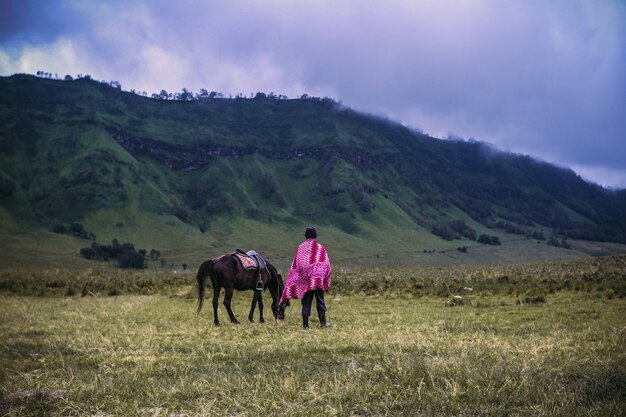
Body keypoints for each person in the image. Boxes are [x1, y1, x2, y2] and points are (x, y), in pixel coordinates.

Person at [280, 226, 332, 329]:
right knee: (320, 301)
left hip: (306, 281)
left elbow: (296, 265)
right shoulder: (320, 248)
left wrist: (302, 279)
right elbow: (326, 264)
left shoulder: (300, 248)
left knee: (306, 302)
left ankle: (305, 326)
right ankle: (323, 323)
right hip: (318, 280)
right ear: (315, 236)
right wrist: (324, 277)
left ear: (306, 236)